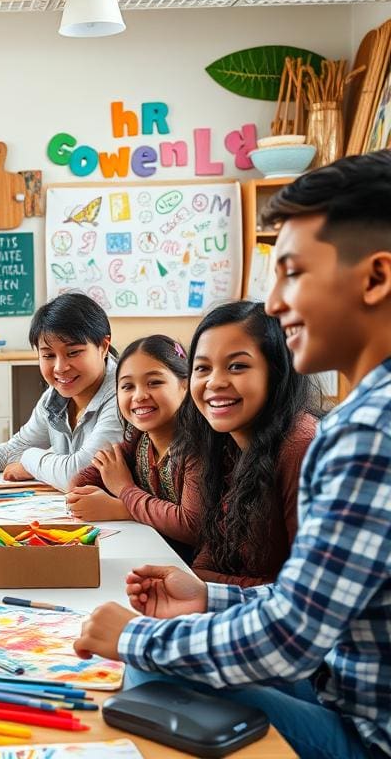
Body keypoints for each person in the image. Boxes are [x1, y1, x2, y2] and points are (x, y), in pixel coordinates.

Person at [73, 151, 391, 759]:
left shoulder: (363, 432)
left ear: (375, 278)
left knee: (146, 675)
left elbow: (292, 636)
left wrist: (136, 639)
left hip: (367, 733)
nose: (272, 302)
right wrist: (208, 596)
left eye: (291, 273)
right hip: (339, 681)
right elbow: (311, 602)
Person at [171, 301, 318, 585]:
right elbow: (212, 550)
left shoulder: (301, 448)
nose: (214, 382)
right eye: (202, 368)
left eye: (237, 366)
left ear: (276, 373)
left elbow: (306, 593)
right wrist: (194, 578)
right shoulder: (225, 442)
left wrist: (201, 586)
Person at [0, 293, 122, 491]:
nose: (60, 367)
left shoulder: (124, 394)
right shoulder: (55, 397)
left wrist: (30, 461)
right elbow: (17, 447)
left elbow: (79, 475)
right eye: (48, 355)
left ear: (103, 347)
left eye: (73, 353)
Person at [66, 334, 195, 563]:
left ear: (185, 385)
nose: (139, 396)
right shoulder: (139, 438)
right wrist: (86, 496)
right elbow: (83, 481)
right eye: (127, 386)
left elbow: (190, 525)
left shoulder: (197, 447)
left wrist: (123, 502)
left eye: (154, 382)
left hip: (190, 569)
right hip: (152, 553)